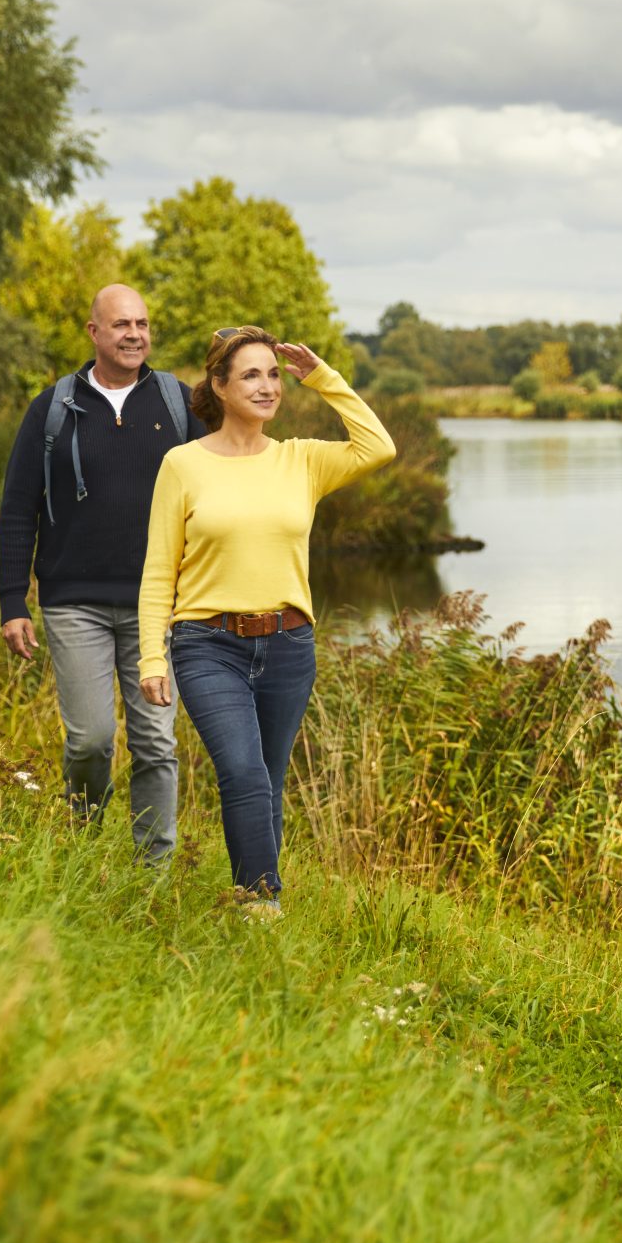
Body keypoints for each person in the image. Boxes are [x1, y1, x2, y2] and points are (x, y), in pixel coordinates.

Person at [136, 325, 396, 918]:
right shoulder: (182, 465)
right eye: (251, 374)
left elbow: (378, 447)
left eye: (273, 374)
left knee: (269, 784)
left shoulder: (300, 460)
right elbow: (157, 572)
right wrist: (153, 655)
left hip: (288, 646)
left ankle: (254, 897)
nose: (267, 385)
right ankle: (261, 907)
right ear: (220, 386)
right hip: (207, 645)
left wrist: (323, 378)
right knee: (244, 772)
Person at [0, 283, 192, 866]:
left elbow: (222, 487)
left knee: (156, 742)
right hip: (72, 601)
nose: (135, 334)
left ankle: (151, 869)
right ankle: (85, 840)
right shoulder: (53, 407)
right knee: (91, 740)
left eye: (143, 323)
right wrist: (13, 600)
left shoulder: (179, 405)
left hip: (157, 606)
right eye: (121, 324)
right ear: (94, 333)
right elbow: (16, 508)